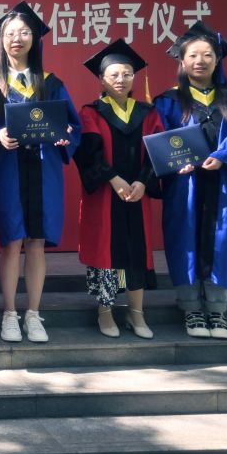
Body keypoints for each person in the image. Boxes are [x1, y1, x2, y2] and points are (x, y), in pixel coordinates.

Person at [0, 1, 80, 343]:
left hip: (45, 170)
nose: (16, 39)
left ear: (35, 39)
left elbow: (72, 126)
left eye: (24, 33)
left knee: (37, 242)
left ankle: (33, 314)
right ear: (1, 40)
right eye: (10, 33)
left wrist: (65, 136)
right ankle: (9, 314)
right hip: (9, 171)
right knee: (11, 241)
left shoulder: (52, 83)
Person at [153, 21, 227, 340]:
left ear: (218, 59)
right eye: (193, 55)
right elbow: (160, 137)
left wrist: (223, 156)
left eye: (208, 55)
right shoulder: (168, 101)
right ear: (182, 61)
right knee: (183, 239)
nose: (200, 61)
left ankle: (217, 309)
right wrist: (175, 163)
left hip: (223, 183)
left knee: (222, 239)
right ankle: (191, 308)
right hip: (184, 185)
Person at [74, 39, 163, 339]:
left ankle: (136, 313)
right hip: (105, 195)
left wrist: (143, 181)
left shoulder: (148, 113)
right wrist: (113, 179)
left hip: (137, 194)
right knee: (106, 251)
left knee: (137, 250)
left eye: (127, 74)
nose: (121, 79)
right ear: (101, 79)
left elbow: (157, 153)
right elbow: (89, 154)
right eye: (114, 74)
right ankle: (105, 312)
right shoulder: (92, 112)